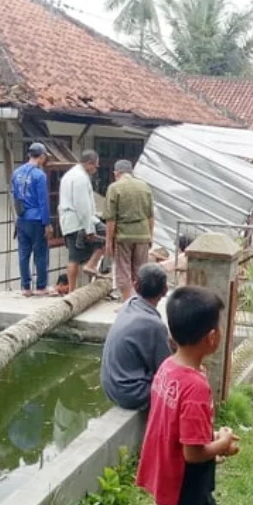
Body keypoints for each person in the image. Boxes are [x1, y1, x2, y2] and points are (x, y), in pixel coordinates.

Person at [112, 286, 253, 505]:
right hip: (181, 490)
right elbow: (193, 453)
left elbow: (182, 434)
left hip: (185, 484)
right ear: (212, 337)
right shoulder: (195, 387)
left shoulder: (168, 368)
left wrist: (213, 446)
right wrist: (220, 444)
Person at [101, 264, 172, 411]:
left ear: (135, 285)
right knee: (181, 384)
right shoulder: (155, 326)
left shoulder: (129, 305)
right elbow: (166, 372)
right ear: (165, 290)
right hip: (132, 394)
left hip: (110, 387)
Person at [105, 160, 155, 300]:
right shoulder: (145, 187)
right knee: (140, 270)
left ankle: (127, 302)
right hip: (143, 234)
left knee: (123, 269)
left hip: (123, 235)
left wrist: (109, 241)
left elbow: (111, 218)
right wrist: (150, 235)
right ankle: (140, 301)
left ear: (117, 173)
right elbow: (150, 215)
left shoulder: (114, 188)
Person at [58, 150, 106, 292]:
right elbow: (83, 206)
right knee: (108, 238)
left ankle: (72, 290)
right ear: (89, 163)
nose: (95, 170)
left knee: (73, 257)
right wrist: (90, 229)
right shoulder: (80, 178)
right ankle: (90, 265)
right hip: (80, 221)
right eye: (95, 166)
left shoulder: (70, 175)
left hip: (69, 221)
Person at [12, 143, 53, 296]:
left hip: (22, 218)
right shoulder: (39, 175)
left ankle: (25, 287)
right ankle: (41, 286)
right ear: (41, 157)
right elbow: (43, 201)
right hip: (36, 218)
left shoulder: (16, 173)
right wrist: (47, 223)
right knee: (41, 253)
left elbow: (14, 196)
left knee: (23, 253)